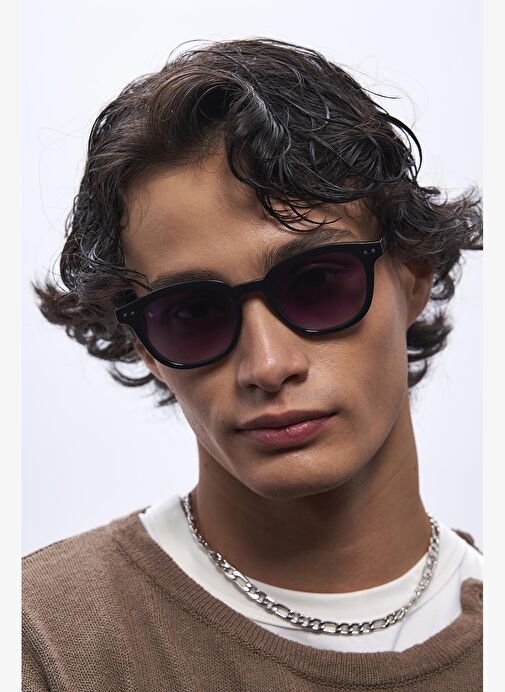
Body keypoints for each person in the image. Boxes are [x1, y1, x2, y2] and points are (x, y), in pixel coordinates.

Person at [23, 38, 483, 691]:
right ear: (144, 345)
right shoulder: (42, 643)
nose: (267, 365)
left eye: (317, 283)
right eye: (192, 312)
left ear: (413, 274)